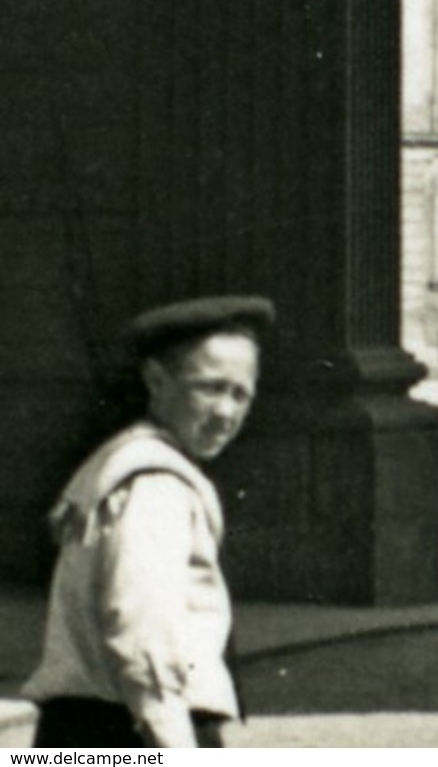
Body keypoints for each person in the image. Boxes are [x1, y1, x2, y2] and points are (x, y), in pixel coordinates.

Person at [23, 295, 275, 748]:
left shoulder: (114, 462)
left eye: (241, 394)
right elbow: (143, 630)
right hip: (134, 728)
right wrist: (174, 743)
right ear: (157, 380)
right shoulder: (156, 485)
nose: (226, 412)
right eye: (210, 387)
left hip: (84, 728)